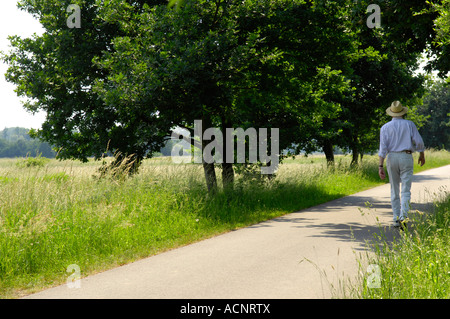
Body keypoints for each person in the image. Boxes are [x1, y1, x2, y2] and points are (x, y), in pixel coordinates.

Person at [378, 101, 425, 230]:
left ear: (391, 113)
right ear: (402, 112)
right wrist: (422, 155)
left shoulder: (385, 128)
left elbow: (383, 148)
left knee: (394, 189)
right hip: (406, 156)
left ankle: (395, 219)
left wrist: (380, 166)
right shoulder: (409, 124)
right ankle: (403, 216)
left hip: (391, 157)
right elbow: (419, 142)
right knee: (405, 189)